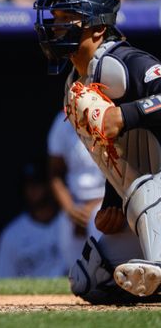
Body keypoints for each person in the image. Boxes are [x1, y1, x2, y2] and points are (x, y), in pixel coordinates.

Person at [34, 0, 161, 303]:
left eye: (67, 19)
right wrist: (113, 200)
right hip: (144, 199)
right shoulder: (77, 82)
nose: (57, 27)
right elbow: (120, 157)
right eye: (55, 19)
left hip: (154, 193)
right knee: (90, 279)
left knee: (145, 191)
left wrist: (129, 114)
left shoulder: (125, 61)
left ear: (97, 29)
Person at [0, 161, 72, 278]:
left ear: (51, 185)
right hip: (31, 295)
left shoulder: (70, 223)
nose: (32, 189)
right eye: (28, 184)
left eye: (38, 183)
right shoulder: (11, 234)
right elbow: (0, 280)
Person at [47, 109, 106, 268]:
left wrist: (93, 206)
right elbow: (55, 174)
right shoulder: (62, 121)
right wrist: (70, 208)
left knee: (104, 262)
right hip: (75, 203)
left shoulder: (109, 115)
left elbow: (124, 174)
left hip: (106, 201)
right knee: (72, 267)